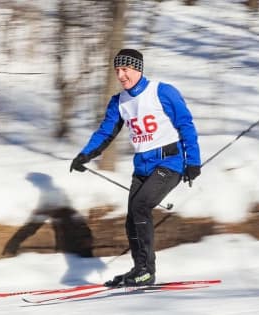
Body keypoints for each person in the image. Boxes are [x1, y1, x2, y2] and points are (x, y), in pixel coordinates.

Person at [70, 48, 201, 287]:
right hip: (141, 167)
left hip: (169, 162)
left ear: (138, 69)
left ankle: (147, 271)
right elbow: (105, 132)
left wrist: (192, 161)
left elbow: (186, 125)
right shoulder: (119, 102)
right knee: (131, 219)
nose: (121, 75)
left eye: (125, 69)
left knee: (141, 207)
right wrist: (85, 155)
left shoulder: (162, 92)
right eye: (117, 70)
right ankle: (139, 268)